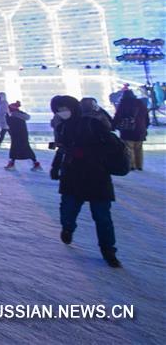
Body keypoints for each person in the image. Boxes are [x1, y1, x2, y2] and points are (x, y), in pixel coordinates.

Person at [50, 95, 122, 268]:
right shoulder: (62, 126)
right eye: (58, 110)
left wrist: (88, 153)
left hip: (97, 175)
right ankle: (68, 228)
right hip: (72, 175)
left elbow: (111, 144)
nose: (62, 112)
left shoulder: (93, 123)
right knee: (67, 210)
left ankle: (108, 250)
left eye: (64, 108)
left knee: (102, 217)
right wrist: (55, 166)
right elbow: (61, 148)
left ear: (73, 107)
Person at [113, 91, 150, 171]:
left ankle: (132, 165)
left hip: (128, 130)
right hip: (140, 129)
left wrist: (113, 125)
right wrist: (145, 126)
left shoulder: (123, 104)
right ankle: (139, 165)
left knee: (129, 148)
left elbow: (118, 116)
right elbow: (146, 117)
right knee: (139, 148)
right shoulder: (141, 104)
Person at [4, 101, 42, 171]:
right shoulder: (20, 115)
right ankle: (36, 163)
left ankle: (12, 164)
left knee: (15, 149)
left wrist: (7, 117)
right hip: (23, 135)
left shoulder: (14, 116)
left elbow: (10, 125)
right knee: (25, 148)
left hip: (16, 135)